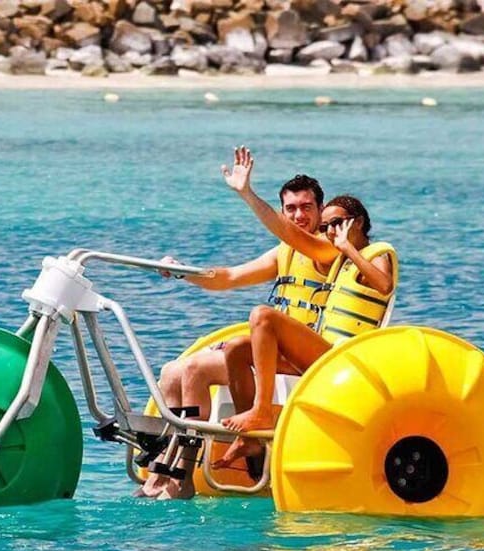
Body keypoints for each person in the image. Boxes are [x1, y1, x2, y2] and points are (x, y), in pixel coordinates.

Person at [137, 173, 331, 500]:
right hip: (274, 354)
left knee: (197, 369)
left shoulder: (325, 250)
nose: (299, 216)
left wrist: (247, 194)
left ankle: (184, 474)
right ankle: (163, 468)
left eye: (306, 207)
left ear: (321, 209)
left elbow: (289, 235)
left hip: (303, 360)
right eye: (291, 208)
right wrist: (185, 271)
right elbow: (228, 278)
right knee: (173, 371)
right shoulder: (284, 253)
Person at [213, 146, 398, 467]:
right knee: (236, 349)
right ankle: (251, 442)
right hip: (321, 352)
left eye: (337, 224)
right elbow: (230, 276)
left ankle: (261, 411)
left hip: (345, 360)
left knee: (262, 315)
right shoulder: (337, 257)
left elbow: (384, 285)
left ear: (358, 223)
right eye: (326, 227)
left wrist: (346, 249)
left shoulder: (376, 252)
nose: (330, 232)